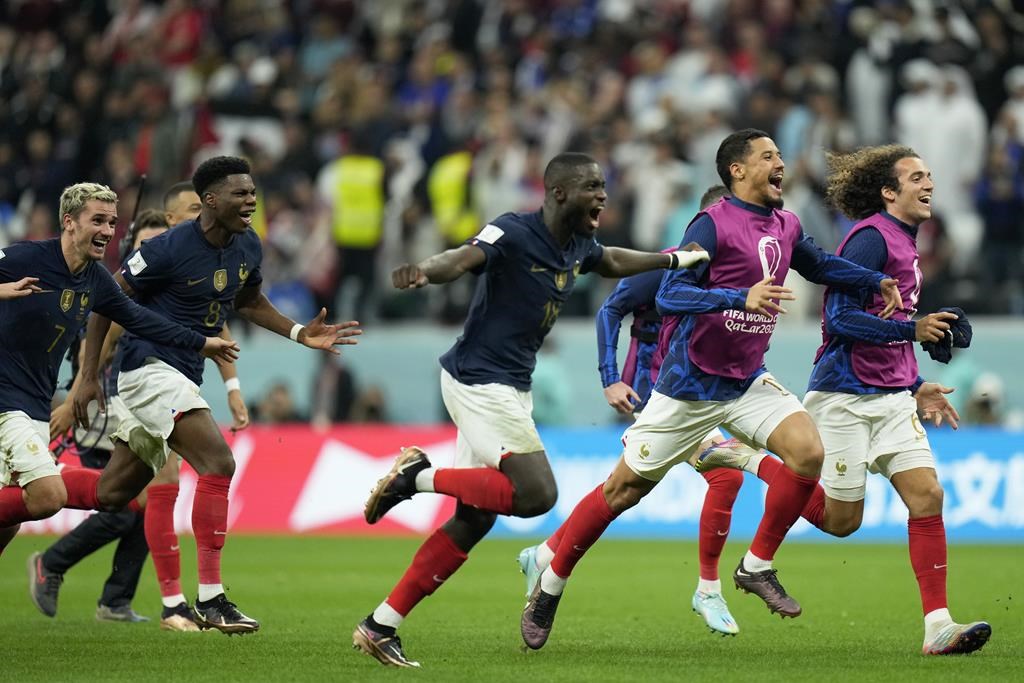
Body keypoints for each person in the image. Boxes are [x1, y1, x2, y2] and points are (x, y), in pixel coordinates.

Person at [518, 129, 904, 651]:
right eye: (768, 156)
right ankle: (551, 583)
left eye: (780, 156)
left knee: (808, 452)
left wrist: (867, 279)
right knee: (622, 491)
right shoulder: (711, 224)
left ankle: (756, 566)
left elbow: (818, 265)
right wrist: (737, 298)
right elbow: (673, 292)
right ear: (737, 171)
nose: (780, 163)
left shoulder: (787, 223)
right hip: (689, 385)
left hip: (746, 381)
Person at [353, 152, 712, 668]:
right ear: (559, 192)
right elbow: (461, 257)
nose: (603, 195)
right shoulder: (514, 232)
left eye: (604, 186)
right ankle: (418, 476)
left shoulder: (578, 246)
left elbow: (610, 259)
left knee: (473, 522)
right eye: (592, 186)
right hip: (479, 381)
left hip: (508, 386)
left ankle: (379, 625)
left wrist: (673, 259)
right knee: (537, 494)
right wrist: (427, 273)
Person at [70, 156, 361, 635]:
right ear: (209, 200)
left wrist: (297, 333)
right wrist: (85, 376)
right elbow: (107, 297)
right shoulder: (166, 248)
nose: (250, 201)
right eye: (239, 194)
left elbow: (247, 301)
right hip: (147, 370)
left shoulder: (248, 245)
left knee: (112, 491)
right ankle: (213, 598)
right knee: (218, 463)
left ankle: (29, 489)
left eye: (252, 193)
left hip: (182, 372)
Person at [756, 145, 987, 654]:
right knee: (842, 523)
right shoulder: (868, 239)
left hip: (891, 398)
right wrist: (912, 327)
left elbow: (889, 331)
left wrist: (913, 381)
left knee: (927, 496)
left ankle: (937, 627)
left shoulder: (909, 242)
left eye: (930, 175)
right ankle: (750, 458)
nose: (928, 183)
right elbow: (838, 319)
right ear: (889, 191)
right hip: (843, 397)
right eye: (916, 177)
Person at [516, 184, 759, 637]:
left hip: (707, 389)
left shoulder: (743, 273)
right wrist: (610, 377)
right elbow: (611, 310)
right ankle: (708, 588)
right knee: (723, 475)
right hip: (656, 391)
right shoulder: (670, 262)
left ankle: (547, 555)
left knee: (623, 488)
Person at [0, 182, 239, 557]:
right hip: (5, 400)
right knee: (47, 496)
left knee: (9, 520)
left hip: (33, 404)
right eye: (98, 220)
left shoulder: (95, 279)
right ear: (69, 222)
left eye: (112, 222)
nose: (108, 231)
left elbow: (139, 318)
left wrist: (201, 342)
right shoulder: (24, 258)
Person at [27, 209, 173, 625]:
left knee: (143, 509)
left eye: (161, 243)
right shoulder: (117, 291)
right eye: (146, 244)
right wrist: (74, 404)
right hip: (106, 411)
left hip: (138, 410)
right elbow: (94, 351)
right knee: (126, 507)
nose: (154, 251)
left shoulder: (166, 292)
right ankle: (52, 564)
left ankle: (114, 600)